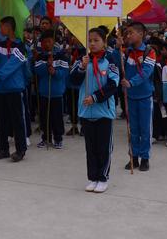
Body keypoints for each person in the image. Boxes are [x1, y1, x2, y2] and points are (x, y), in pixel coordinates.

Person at [70, 27, 119, 193]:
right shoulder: (82, 60)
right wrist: (82, 68)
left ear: (104, 42)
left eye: (96, 40)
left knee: (103, 148)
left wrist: (95, 97)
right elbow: (73, 81)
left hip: (103, 112)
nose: (92, 43)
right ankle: (92, 177)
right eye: (90, 40)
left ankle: (103, 178)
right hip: (86, 112)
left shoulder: (110, 60)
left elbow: (113, 85)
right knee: (90, 149)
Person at [0, 16, 28, 162]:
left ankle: (20, 149)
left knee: (17, 120)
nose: (0, 29)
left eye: (2, 26)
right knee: (2, 120)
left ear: (9, 27)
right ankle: (3, 148)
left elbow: (13, 64)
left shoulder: (20, 46)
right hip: (0, 88)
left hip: (14, 87)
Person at [120, 22, 156, 172]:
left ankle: (145, 158)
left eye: (131, 33)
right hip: (130, 97)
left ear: (141, 34)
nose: (128, 36)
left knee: (145, 129)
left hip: (145, 96)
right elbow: (116, 62)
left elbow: (146, 72)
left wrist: (131, 83)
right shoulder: (126, 52)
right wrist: (117, 48)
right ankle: (133, 157)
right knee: (132, 129)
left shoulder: (149, 52)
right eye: (126, 33)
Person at [34, 30, 70, 149]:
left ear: (53, 41)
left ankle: (58, 138)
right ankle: (46, 138)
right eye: (44, 42)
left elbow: (64, 73)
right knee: (44, 117)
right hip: (44, 93)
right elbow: (38, 71)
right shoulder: (40, 56)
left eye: (49, 41)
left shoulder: (61, 56)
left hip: (57, 93)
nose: (47, 44)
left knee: (57, 117)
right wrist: (46, 66)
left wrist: (54, 71)